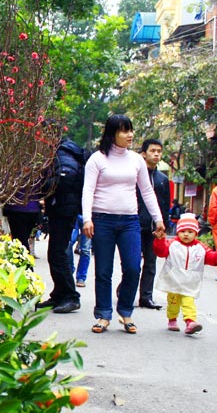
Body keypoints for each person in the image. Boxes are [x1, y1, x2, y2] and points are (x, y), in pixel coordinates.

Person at [82, 115, 166, 335]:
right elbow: (88, 190)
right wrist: (87, 218)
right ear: (112, 133)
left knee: (132, 267)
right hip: (102, 220)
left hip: (130, 221)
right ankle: (103, 314)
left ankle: (126, 311)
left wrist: (158, 218)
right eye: (124, 131)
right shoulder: (97, 159)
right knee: (103, 270)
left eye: (131, 130)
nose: (130, 135)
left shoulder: (136, 160)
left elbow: (147, 191)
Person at [153, 214, 217, 335]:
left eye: (190, 231)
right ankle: (172, 319)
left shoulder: (201, 248)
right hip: (173, 279)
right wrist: (159, 240)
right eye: (183, 231)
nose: (186, 234)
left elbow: (213, 259)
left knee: (188, 302)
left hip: (190, 282)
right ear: (178, 232)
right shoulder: (172, 244)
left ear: (196, 233)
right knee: (173, 303)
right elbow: (161, 252)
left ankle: (190, 322)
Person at [37, 136, 87, 314]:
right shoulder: (61, 152)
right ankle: (59, 294)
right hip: (61, 207)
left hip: (64, 208)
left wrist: (43, 185)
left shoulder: (62, 152)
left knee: (59, 253)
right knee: (55, 253)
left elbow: (65, 175)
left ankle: (70, 296)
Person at [136, 139, 170, 309]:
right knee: (133, 264)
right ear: (144, 154)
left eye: (159, 151)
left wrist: (164, 225)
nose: (156, 154)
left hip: (153, 228)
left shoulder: (163, 179)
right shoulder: (134, 176)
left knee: (150, 263)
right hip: (135, 226)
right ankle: (125, 289)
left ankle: (146, 297)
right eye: (152, 151)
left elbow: (165, 204)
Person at [69, 214, 91, 288]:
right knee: (69, 243)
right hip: (74, 212)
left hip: (89, 216)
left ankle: (81, 277)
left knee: (85, 249)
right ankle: (70, 269)